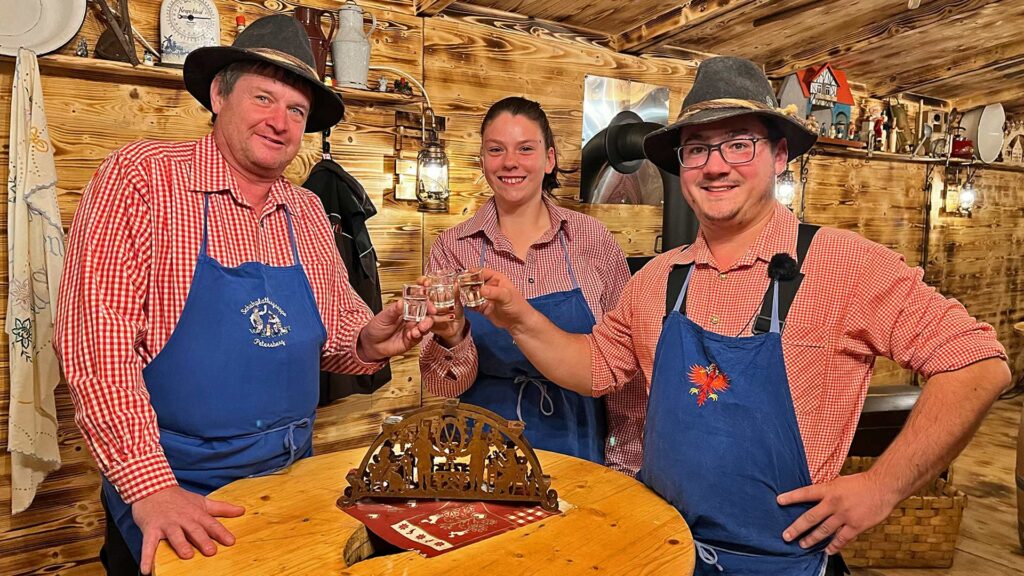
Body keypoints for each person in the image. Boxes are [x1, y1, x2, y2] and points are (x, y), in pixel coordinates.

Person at [473, 57, 1009, 575]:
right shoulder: (658, 279)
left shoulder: (843, 264)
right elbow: (592, 367)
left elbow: (977, 363)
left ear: (779, 156)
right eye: (698, 149)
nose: (716, 164)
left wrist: (882, 486)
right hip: (664, 548)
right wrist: (518, 317)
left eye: (739, 144)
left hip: (780, 564)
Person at [54, 15, 431, 576]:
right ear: (218, 94)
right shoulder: (144, 179)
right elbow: (96, 347)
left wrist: (370, 341)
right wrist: (149, 487)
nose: (280, 122)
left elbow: (335, 334)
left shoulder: (304, 210)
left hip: (292, 482)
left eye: (297, 111)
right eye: (263, 97)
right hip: (178, 490)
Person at [419, 97, 646, 475]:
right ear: (482, 160)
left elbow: (626, 371)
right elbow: (442, 388)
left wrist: (621, 465)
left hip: (579, 446)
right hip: (480, 451)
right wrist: (452, 336)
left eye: (526, 148)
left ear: (550, 159)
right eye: (496, 150)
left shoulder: (591, 239)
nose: (510, 162)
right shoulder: (454, 247)